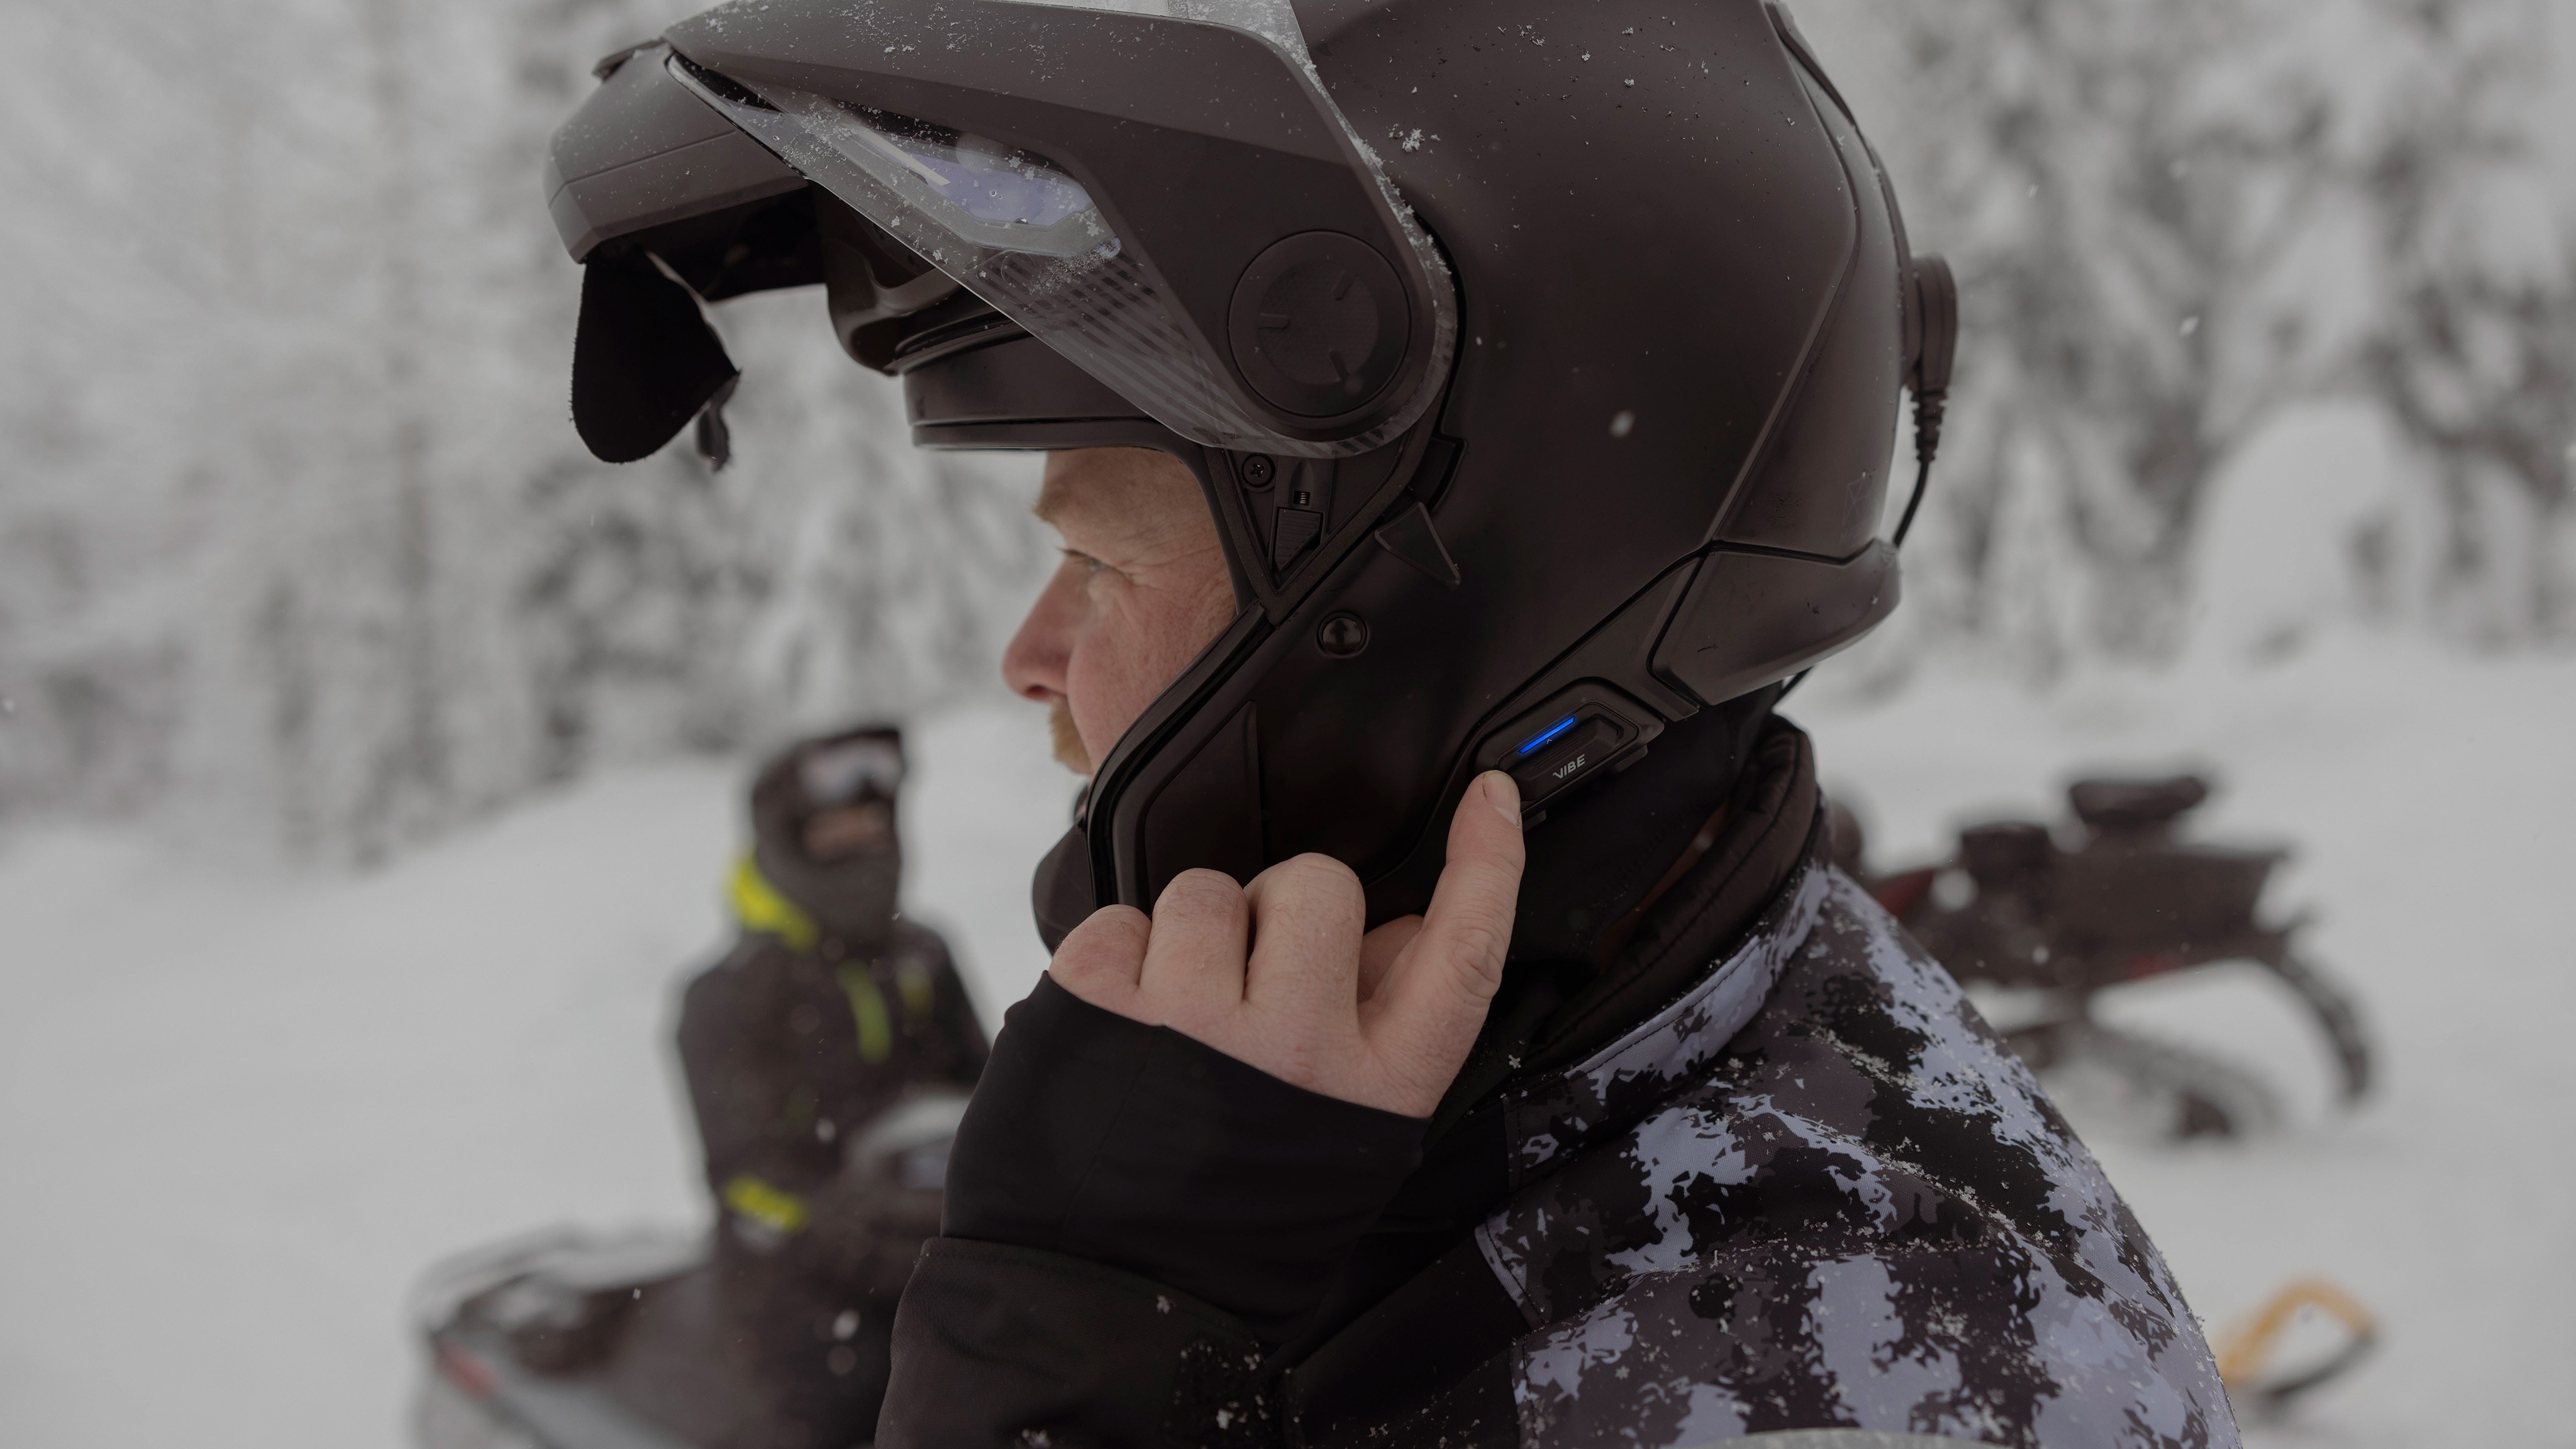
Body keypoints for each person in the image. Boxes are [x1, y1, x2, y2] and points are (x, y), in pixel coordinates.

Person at [543, 2, 2240, 1445]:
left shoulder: (1844, 1377)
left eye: (1094, 560)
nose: (1031, 656)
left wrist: (1071, 1363)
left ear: (1407, 616)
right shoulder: (1589, 1057)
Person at [673, 725, 986, 1449]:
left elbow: (993, 1092)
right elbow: (747, 1181)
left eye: (874, 825)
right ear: (790, 842)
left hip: (938, 1260)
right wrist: (853, 1231)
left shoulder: (922, 952)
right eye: (836, 831)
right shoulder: (730, 994)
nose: (863, 843)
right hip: (800, 1297)